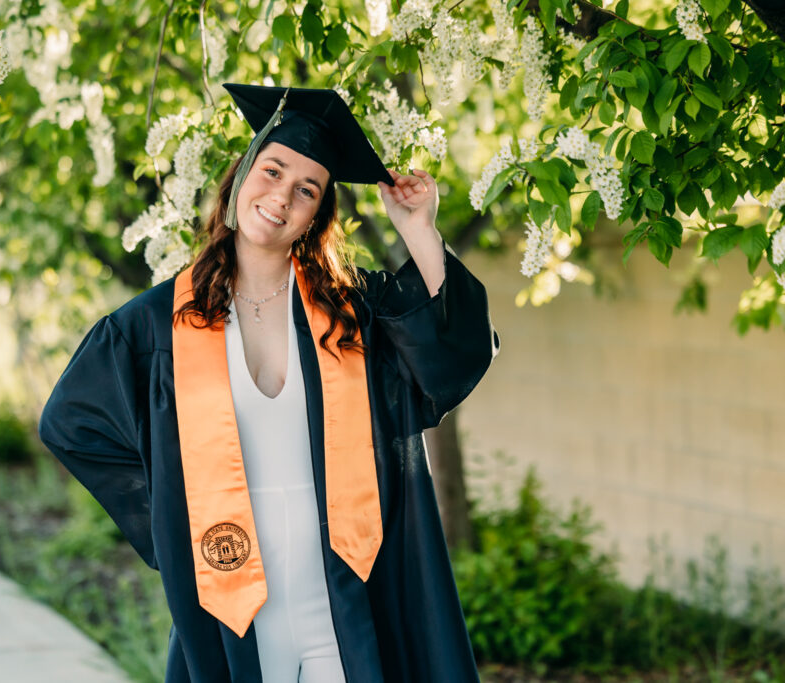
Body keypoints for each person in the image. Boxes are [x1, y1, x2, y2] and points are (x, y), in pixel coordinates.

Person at [38, 83, 499, 683]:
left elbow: (453, 355)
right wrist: (172, 523)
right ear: (241, 175)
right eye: (273, 170)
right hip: (233, 603)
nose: (281, 197)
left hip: (342, 592)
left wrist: (418, 230)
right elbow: (71, 425)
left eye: (305, 190)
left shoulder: (351, 312)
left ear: (316, 215)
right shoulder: (157, 325)